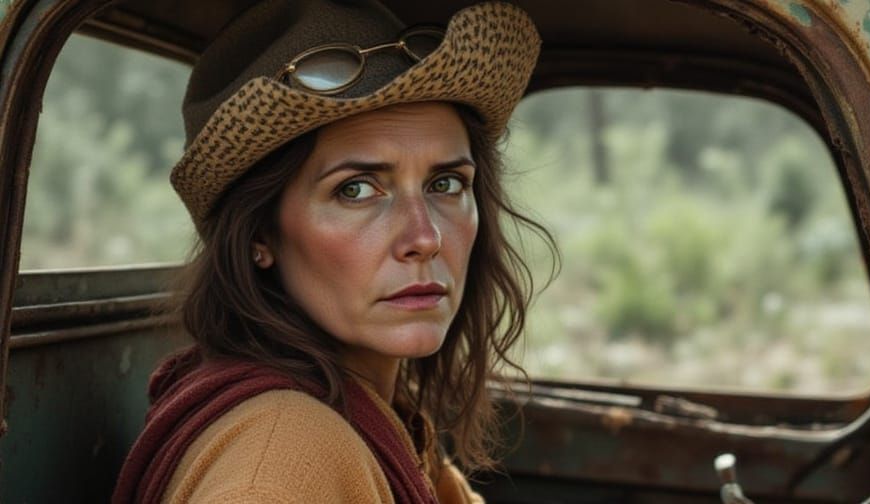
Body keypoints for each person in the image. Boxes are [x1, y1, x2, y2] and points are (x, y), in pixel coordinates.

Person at [113, 0, 548, 502]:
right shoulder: (282, 460)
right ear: (260, 233)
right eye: (356, 190)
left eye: (446, 182)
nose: (425, 238)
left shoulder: (377, 415)